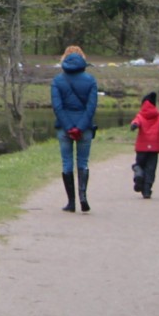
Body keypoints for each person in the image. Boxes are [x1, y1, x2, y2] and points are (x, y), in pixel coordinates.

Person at [50, 46, 99, 212]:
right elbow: (91, 107)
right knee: (83, 162)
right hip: (85, 128)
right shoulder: (91, 80)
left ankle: (71, 203)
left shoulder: (57, 81)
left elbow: (57, 107)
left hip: (64, 129)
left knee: (67, 162)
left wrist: (69, 127)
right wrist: (80, 127)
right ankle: (83, 196)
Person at [130, 90, 159, 198]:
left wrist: (134, 125)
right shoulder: (158, 116)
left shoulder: (140, 116)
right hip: (154, 148)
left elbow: (135, 122)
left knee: (139, 165)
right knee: (151, 169)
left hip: (141, 148)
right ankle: (146, 190)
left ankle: (138, 175)